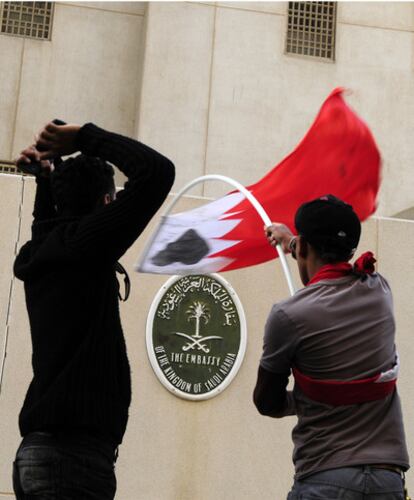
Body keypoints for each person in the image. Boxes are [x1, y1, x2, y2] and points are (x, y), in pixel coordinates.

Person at [13, 121, 175, 499]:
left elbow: (48, 223)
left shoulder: (50, 251)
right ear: (106, 205)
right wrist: (83, 137)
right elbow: (156, 172)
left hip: (41, 455)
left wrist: (44, 179)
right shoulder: (87, 246)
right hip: (72, 462)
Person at [253, 195, 410, 500]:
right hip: (387, 479)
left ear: (306, 246)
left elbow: (266, 401)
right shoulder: (380, 292)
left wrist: (307, 398)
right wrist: (292, 243)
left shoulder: (289, 315)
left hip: (324, 478)